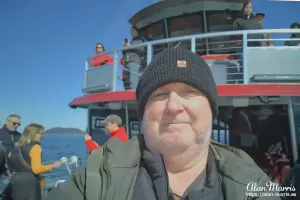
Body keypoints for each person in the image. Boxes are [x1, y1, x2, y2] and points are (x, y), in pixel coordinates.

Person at [45, 48, 278, 200]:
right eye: (159, 95)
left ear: (211, 110)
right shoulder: (94, 179)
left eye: (190, 91)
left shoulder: (254, 185)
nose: (174, 106)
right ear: (144, 113)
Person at [7, 123, 62, 200]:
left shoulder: (13, 149)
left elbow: (11, 166)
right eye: (40, 133)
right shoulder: (36, 147)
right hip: (30, 185)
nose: (43, 136)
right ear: (33, 134)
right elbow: (36, 169)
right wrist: (53, 166)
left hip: (15, 182)